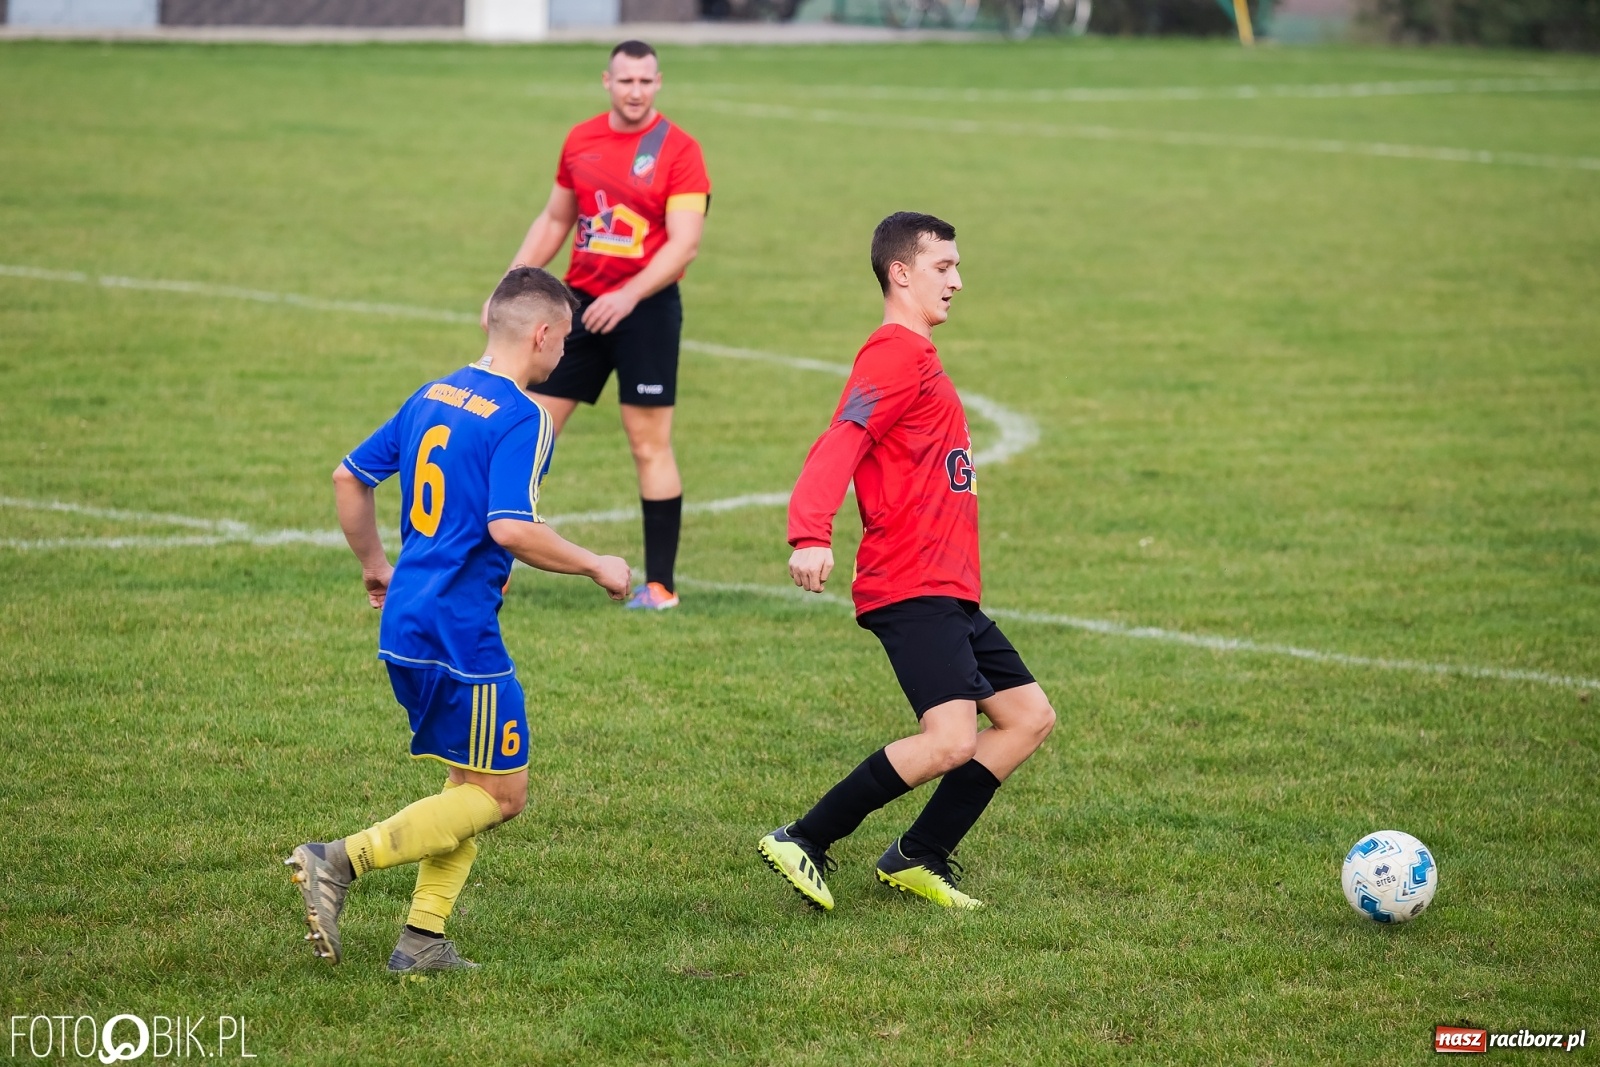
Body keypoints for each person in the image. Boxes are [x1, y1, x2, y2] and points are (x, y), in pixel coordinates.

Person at [287, 267, 632, 972]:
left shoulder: (433, 393)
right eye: (563, 339)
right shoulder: (523, 415)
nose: (564, 353)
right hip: (458, 630)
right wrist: (597, 562)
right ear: (541, 334)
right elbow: (511, 526)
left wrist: (375, 565)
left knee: (470, 785)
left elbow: (348, 476)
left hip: (408, 619)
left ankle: (422, 940)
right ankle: (338, 860)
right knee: (503, 795)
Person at [757, 213, 1056, 912]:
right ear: (901, 272)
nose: (957, 280)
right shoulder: (892, 353)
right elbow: (842, 440)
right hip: (911, 580)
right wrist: (810, 531)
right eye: (943, 266)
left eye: (957, 267)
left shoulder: (918, 358)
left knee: (1027, 716)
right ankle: (804, 836)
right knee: (950, 737)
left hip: (949, 587)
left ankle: (918, 855)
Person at [485, 39, 710, 611]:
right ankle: (494, 569)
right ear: (606, 81)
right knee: (529, 426)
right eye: (626, 80)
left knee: (647, 443)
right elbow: (556, 217)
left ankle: (659, 586)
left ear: (658, 84)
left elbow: (685, 243)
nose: (636, 91)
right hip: (574, 307)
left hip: (648, 310)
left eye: (646, 81)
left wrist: (630, 294)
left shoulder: (681, 151)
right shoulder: (581, 139)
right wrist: (509, 285)